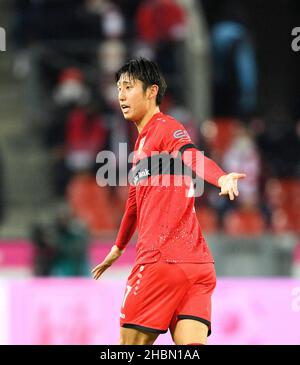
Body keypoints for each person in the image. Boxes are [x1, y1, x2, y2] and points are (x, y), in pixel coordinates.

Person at [92, 58, 246, 345]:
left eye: (128, 87)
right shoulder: (139, 147)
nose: (121, 96)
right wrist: (117, 248)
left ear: (151, 92)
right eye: (118, 89)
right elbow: (134, 207)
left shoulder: (165, 127)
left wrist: (221, 177)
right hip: (197, 267)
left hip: (160, 262)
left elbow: (190, 154)